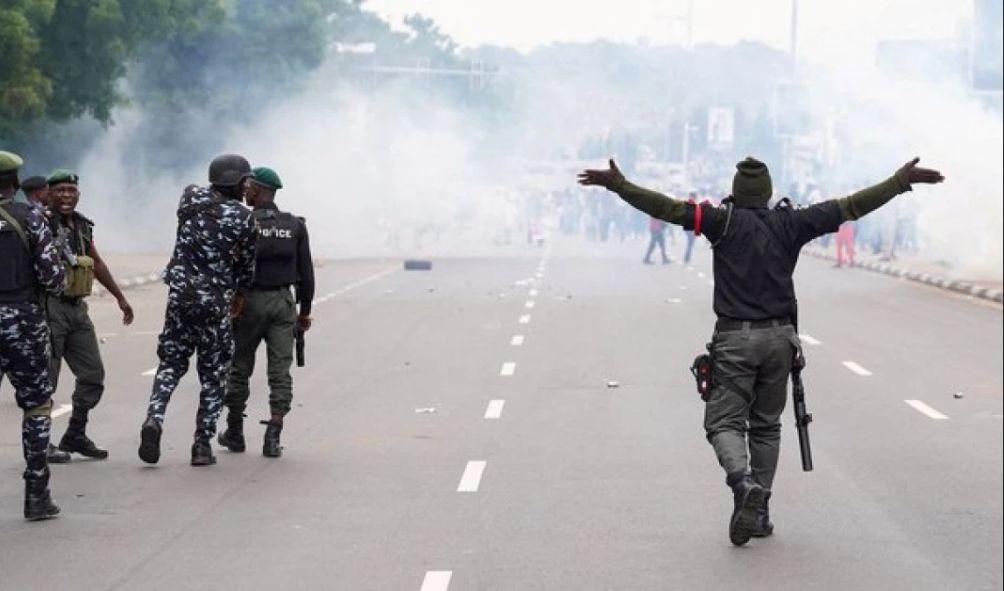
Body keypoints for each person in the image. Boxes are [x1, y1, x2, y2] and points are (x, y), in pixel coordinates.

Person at [578, 156, 943, 546]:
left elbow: (665, 208)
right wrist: (899, 180)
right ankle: (761, 510)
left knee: (723, 424)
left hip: (735, 339)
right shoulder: (793, 223)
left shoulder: (721, 222)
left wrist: (619, 185)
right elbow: (853, 205)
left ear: (735, 192)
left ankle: (743, 483)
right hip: (780, 341)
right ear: (768, 193)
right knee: (767, 425)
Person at [138, 154, 256, 466]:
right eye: (245, 180)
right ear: (234, 181)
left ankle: (155, 417)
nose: (248, 186)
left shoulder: (190, 197)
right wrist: (240, 295)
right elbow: (246, 267)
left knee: (170, 364)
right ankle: (202, 444)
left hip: (180, 299)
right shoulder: (244, 217)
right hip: (215, 303)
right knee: (213, 374)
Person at [219, 167, 314, 458]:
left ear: (259, 190)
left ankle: (235, 430)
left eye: (248, 186)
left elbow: (228, 267)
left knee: (239, 367)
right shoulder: (295, 225)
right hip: (283, 303)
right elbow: (306, 275)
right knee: (280, 371)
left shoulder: (243, 222)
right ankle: (273, 434)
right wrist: (304, 312)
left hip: (247, 303)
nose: (244, 190)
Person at [45, 170, 134, 462]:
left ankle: (76, 433)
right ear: (49, 193)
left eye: (71, 190)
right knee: (47, 379)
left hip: (77, 309)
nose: (66, 196)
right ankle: (40, 442)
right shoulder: (39, 224)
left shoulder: (82, 226)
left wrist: (120, 296)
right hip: (49, 308)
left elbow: (95, 261)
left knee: (93, 374)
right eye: (60, 191)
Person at [0, 150, 66, 520]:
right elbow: (54, 280)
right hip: (24, 321)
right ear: (14, 182)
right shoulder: (33, 218)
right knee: (37, 406)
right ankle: (36, 494)